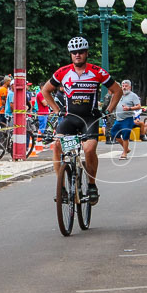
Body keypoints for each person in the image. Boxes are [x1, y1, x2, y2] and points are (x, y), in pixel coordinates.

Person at [41, 37, 123, 204]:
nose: (77, 55)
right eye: (74, 52)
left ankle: (92, 185)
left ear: (86, 53)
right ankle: (61, 187)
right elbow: (45, 91)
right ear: (71, 55)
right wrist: (57, 111)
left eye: (80, 52)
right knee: (56, 145)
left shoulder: (97, 72)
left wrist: (107, 111)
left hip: (90, 118)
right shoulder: (62, 72)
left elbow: (117, 91)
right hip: (70, 117)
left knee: (89, 148)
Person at [110, 79, 143, 160]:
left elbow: (139, 106)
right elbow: (112, 104)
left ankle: (124, 153)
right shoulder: (118, 94)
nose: (124, 88)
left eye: (126, 86)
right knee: (114, 133)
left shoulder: (133, 96)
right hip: (118, 118)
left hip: (127, 119)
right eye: (123, 86)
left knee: (125, 135)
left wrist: (129, 108)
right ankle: (126, 148)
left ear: (130, 87)